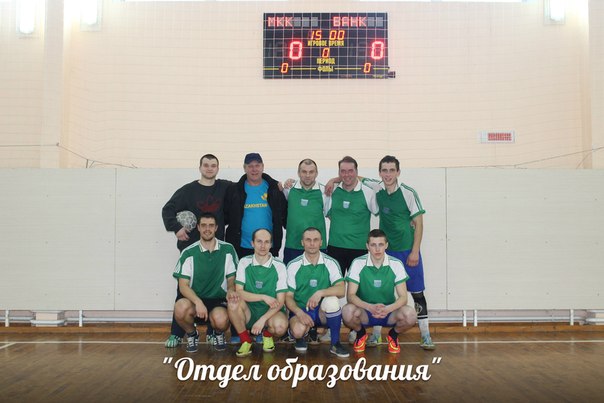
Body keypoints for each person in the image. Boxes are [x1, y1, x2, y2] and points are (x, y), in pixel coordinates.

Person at [162, 154, 233, 348]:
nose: (209, 168)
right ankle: (177, 333)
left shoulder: (224, 187)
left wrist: (275, 183)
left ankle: (212, 332)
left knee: (214, 291)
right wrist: (177, 228)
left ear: (218, 168)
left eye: (213, 165)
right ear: (200, 167)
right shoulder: (188, 190)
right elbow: (167, 209)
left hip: (215, 251)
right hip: (191, 249)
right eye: (206, 165)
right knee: (183, 292)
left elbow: (249, 180)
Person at [373, 155, 435, 350]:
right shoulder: (377, 189)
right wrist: (334, 180)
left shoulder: (408, 193)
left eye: (392, 170)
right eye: (384, 170)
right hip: (386, 253)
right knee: (381, 293)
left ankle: (425, 335)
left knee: (417, 293)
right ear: (380, 173)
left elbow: (419, 223)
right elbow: (357, 178)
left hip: (408, 252)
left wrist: (415, 251)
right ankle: (376, 335)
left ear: (398, 172)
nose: (388, 174)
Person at [323, 156, 378, 343]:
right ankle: (332, 329)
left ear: (357, 171)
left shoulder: (368, 192)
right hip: (335, 248)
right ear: (339, 172)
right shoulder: (332, 191)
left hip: (359, 251)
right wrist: (334, 181)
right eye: (342, 171)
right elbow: (328, 214)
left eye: (350, 171)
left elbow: (381, 188)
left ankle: (357, 329)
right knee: (332, 291)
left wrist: (335, 179)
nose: (346, 175)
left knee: (358, 293)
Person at [172, 212, 238, 353]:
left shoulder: (228, 249)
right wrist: (198, 302)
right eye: (204, 225)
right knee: (180, 307)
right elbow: (183, 286)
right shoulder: (188, 253)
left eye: (211, 225)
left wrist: (231, 289)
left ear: (216, 228)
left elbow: (231, 278)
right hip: (195, 300)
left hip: (218, 300)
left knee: (221, 319)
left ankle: (218, 333)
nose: (207, 229)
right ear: (198, 227)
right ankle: (192, 334)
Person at [342, 229, 416, 354]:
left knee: (411, 315)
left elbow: (403, 297)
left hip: (388, 312)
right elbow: (350, 296)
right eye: (373, 245)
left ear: (386, 245)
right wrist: (369, 307)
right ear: (367, 246)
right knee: (347, 311)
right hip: (365, 311)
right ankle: (361, 334)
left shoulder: (396, 264)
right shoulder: (358, 263)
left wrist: (388, 309)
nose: (377, 249)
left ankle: (393, 335)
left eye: (381, 245)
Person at [285, 227, 349, 358]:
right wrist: (299, 313)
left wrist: (320, 293)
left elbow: (341, 290)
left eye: (315, 240)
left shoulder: (331, 262)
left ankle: (335, 343)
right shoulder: (293, 265)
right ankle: (300, 336)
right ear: (302, 242)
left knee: (332, 300)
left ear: (321, 242)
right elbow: (288, 297)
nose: (312, 243)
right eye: (308, 240)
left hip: (321, 312)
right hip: (301, 310)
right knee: (298, 330)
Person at [227, 228, 288, 357]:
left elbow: (281, 300)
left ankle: (267, 335)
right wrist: (263, 297)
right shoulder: (244, 262)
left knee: (281, 327)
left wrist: (263, 319)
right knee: (233, 302)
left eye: (267, 242)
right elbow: (239, 292)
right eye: (259, 241)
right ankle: (246, 340)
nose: (263, 246)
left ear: (271, 244)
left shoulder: (279, 266)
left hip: (271, 312)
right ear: (252, 243)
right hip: (249, 311)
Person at [224, 153, 287, 259]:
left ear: (263, 167)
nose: (254, 169)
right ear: (244, 168)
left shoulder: (274, 189)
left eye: (257, 165)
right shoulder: (234, 190)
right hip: (242, 247)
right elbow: (224, 216)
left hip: (268, 247)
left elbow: (285, 215)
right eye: (250, 166)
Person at [282, 158, 330, 265]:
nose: (307, 175)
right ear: (298, 173)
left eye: (311, 172)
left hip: (317, 247)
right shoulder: (289, 189)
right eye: (304, 172)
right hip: (292, 245)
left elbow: (330, 215)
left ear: (316, 173)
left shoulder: (324, 191)